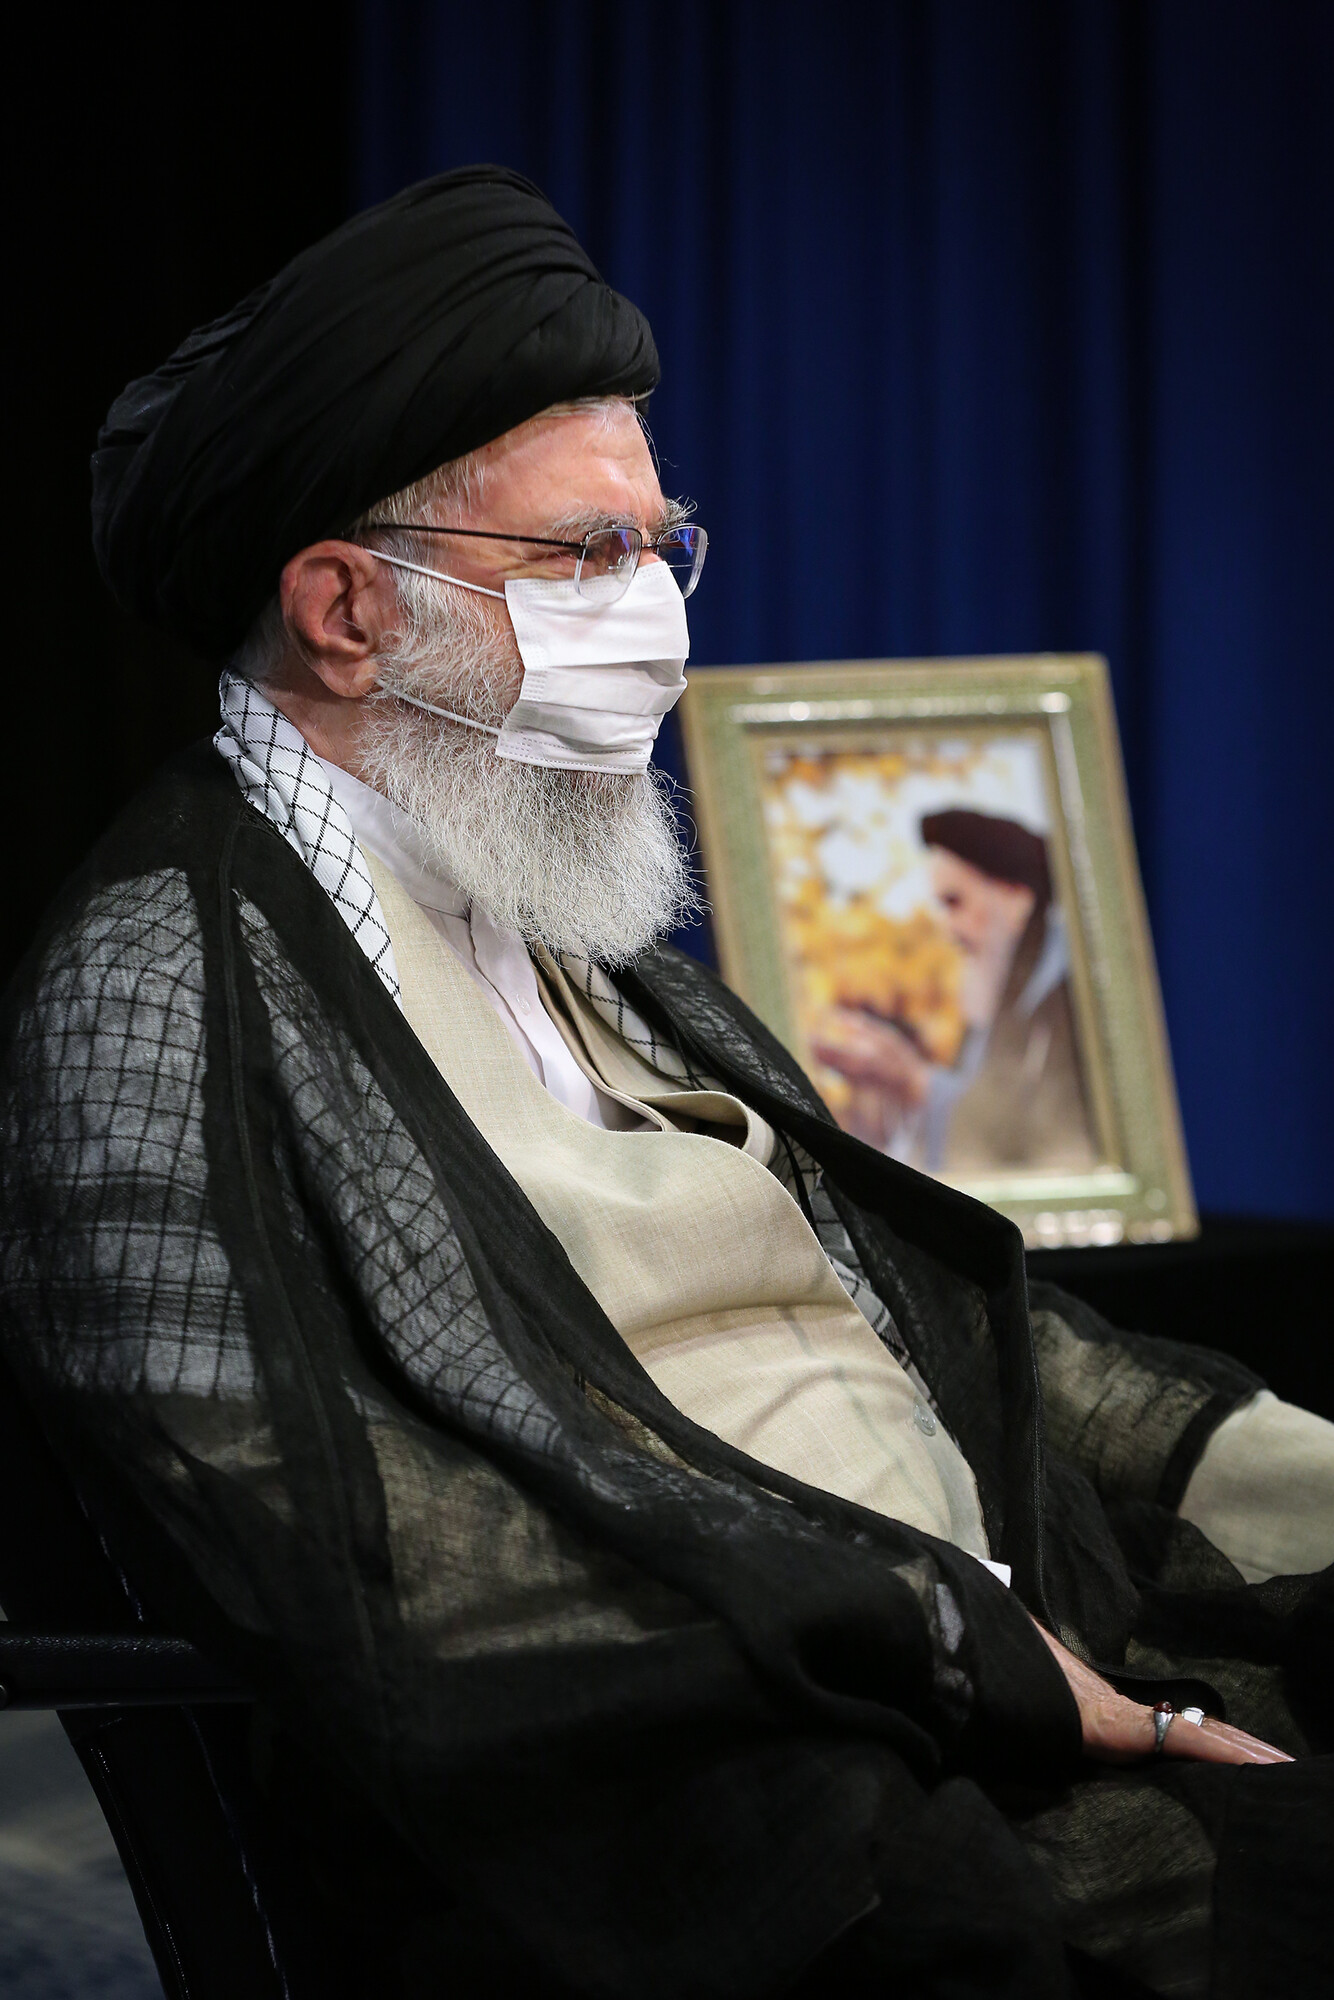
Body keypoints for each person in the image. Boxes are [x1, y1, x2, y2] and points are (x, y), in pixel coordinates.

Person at [2, 169, 1330, 2000]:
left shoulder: (580, 937)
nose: (651, 613)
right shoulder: (158, 983)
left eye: (659, 545)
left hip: (1004, 1660)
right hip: (741, 1806)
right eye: (580, 557)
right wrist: (944, 1643)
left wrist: (1291, 1481)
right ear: (344, 609)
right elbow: (339, 1531)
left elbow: (959, 1333)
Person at [813, 809, 1098, 1173]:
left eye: (955, 902)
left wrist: (912, 1080)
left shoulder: (1071, 1003)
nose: (948, 930)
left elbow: (1037, 1142)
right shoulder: (1001, 1003)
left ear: (1017, 899)